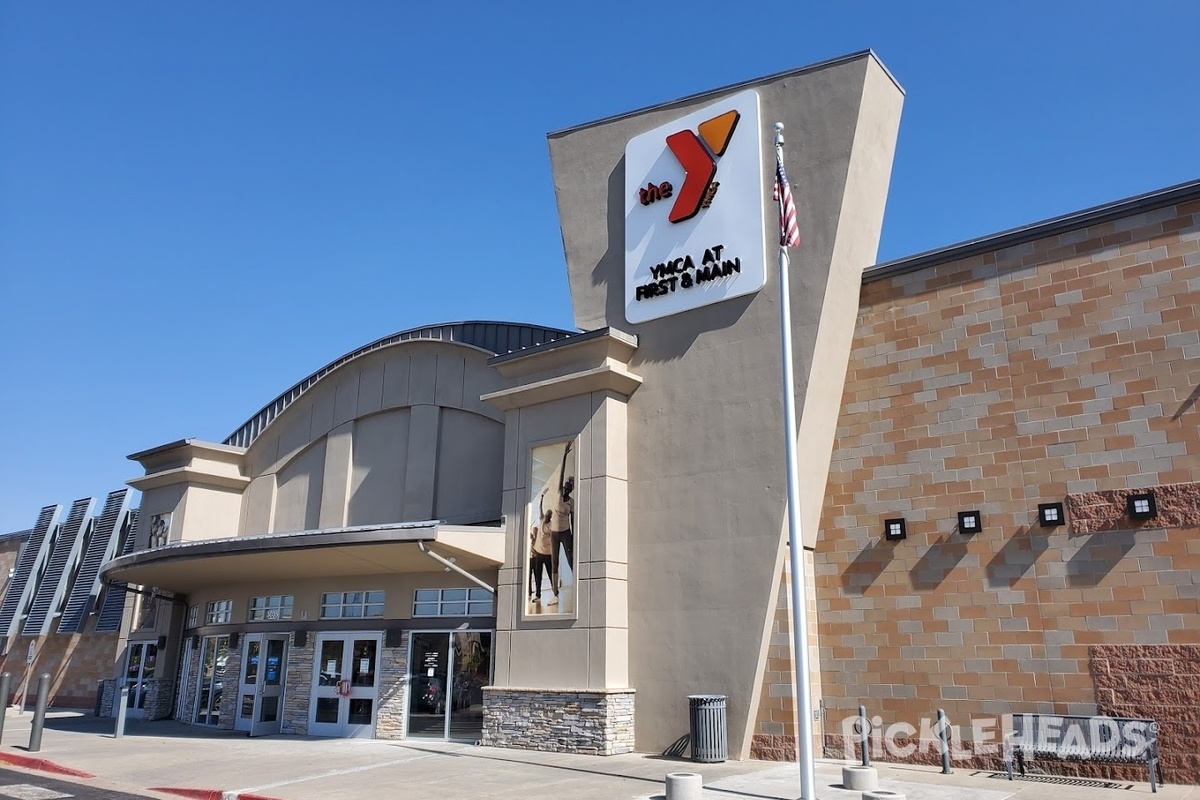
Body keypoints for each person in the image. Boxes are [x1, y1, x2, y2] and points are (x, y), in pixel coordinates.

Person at [539, 441, 575, 595]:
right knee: (555, 561)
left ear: (571, 489)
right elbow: (561, 473)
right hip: (554, 532)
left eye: (569, 487)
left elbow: (573, 519)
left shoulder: (571, 502)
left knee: (570, 558)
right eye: (566, 486)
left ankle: (577, 582)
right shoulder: (559, 493)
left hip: (566, 532)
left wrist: (573, 536)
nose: (566, 488)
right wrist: (565, 455)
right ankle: (554, 589)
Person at [528, 510, 556, 607]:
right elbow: (540, 511)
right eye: (546, 515)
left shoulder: (551, 525)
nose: (546, 516)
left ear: (550, 517)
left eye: (548, 515)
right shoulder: (541, 521)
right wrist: (542, 499)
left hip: (548, 553)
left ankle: (555, 593)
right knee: (538, 576)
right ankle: (538, 595)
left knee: (550, 574)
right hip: (539, 553)